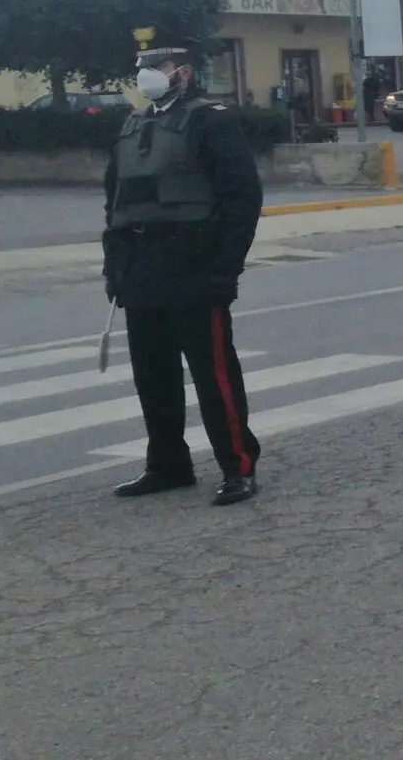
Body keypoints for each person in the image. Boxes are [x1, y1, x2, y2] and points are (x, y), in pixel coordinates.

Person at [101, 28, 266, 506]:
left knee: (214, 376)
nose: (145, 76)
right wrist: (115, 269)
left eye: (157, 66)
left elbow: (241, 199)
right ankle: (168, 464)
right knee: (153, 377)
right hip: (141, 269)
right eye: (142, 68)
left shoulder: (211, 121)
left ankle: (237, 466)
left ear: (183, 73)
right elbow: (115, 203)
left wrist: (225, 269)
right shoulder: (134, 124)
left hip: (194, 267)